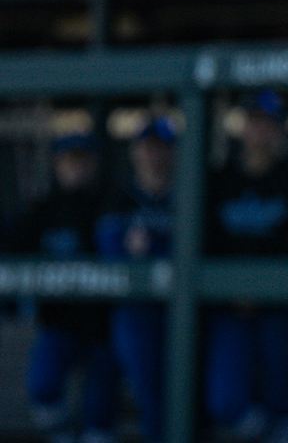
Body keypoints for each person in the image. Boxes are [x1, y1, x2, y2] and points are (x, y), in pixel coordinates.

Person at [203, 90, 288, 443]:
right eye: (254, 121)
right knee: (226, 400)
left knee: (281, 400)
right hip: (229, 305)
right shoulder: (220, 180)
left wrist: (265, 288)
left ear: (279, 128)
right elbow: (207, 243)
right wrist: (234, 291)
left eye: (268, 122)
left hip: (280, 305)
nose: (260, 129)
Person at [12, 131, 118, 443]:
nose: (76, 167)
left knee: (99, 419)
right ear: (58, 164)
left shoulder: (108, 204)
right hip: (59, 324)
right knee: (42, 388)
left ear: (94, 164)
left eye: (82, 160)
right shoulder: (41, 210)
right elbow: (14, 253)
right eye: (69, 160)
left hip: (104, 328)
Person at [96, 116, 177, 443]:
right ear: (134, 152)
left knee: (187, 396)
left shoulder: (188, 193)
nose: (153, 155)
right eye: (146, 147)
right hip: (136, 312)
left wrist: (152, 247)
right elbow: (111, 252)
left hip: (181, 311)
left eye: (161, 147)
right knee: (151, 396)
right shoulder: (120, 196)